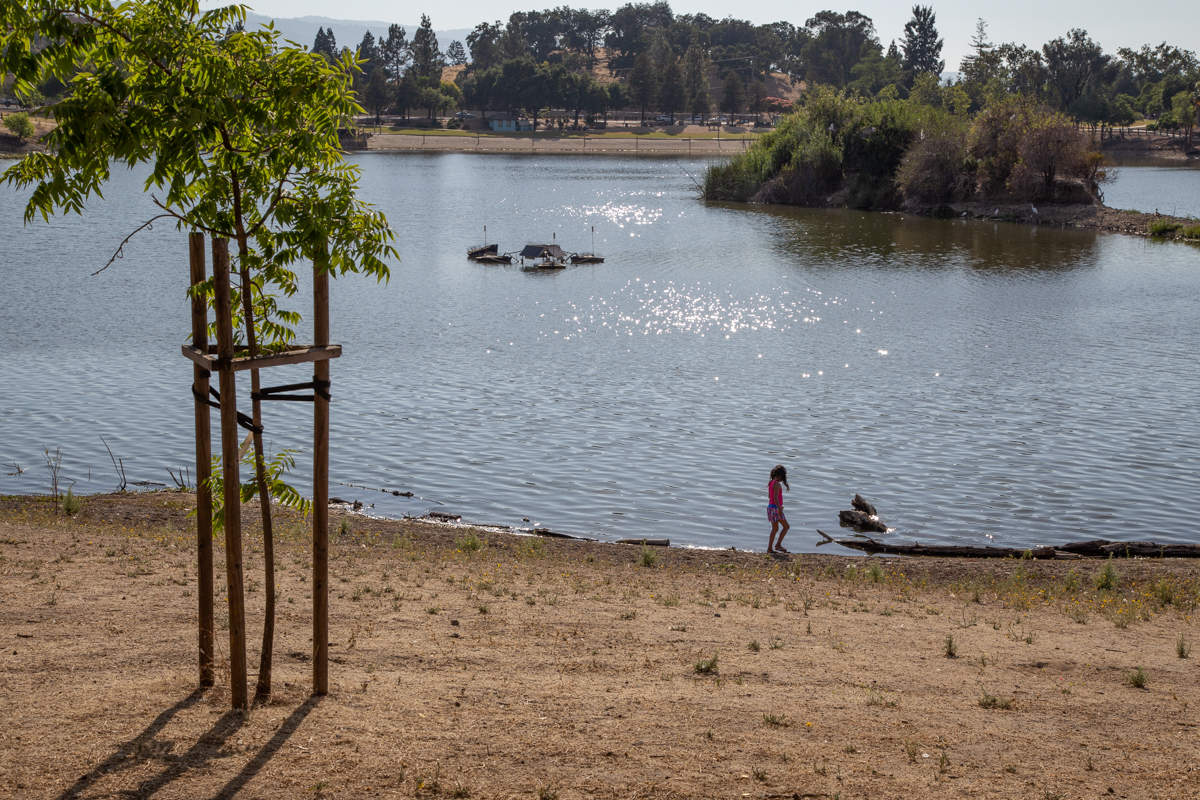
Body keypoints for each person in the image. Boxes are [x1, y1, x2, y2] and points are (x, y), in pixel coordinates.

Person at [766, 465, 790, 554]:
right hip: (776, 509)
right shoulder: (777, 484)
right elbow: (775, 497)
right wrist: (780, 508)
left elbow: (770, 496)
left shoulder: (771, 483)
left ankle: (769, 548)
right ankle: (778, 545)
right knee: (786, 527)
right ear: (780, 476)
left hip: (770, 508)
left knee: (775, 529)